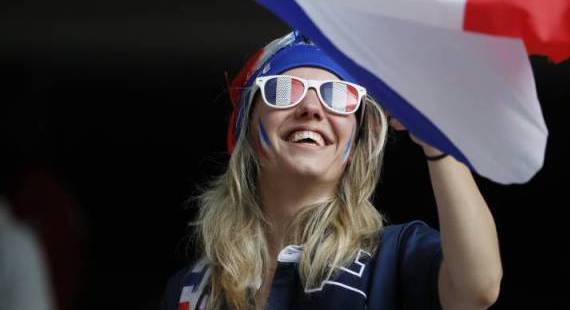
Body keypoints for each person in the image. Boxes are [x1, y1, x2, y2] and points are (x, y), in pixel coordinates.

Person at [161, 31, 503, 310]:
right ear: (246, 130)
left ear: (355, 143)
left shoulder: (394, 257)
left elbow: (478, 289)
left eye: (338, 96)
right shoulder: (191, 289)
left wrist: (438, 143)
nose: (311, 108)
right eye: (283, 91)